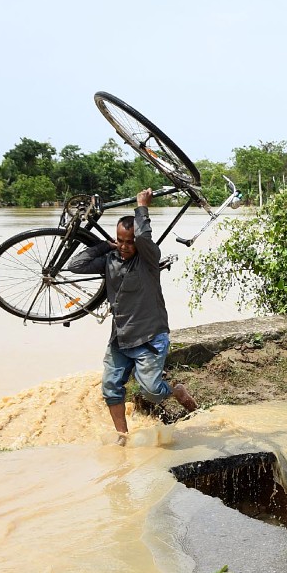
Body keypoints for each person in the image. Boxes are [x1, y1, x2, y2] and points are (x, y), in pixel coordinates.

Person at [68, 188, 197, 440]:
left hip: (149, 338)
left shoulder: (148, 261)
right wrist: (104, 245)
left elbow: (145, 238)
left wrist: (142, 208)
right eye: (121, 240)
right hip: (120, 338)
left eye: (130, 242)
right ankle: (122, 437)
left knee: (150, 390)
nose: (125, 246)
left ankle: (176, 391)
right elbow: (76, 265)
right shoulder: (111, 259)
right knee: (110, 387)